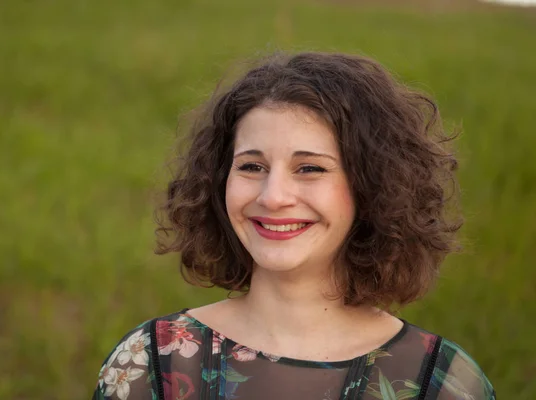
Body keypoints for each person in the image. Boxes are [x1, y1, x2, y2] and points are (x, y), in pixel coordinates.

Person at [92, 52, 496, 399]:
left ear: (372, 187)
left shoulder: (443, 382)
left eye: (309, 168)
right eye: (252, 166)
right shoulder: (150, 364)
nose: (273, 196)